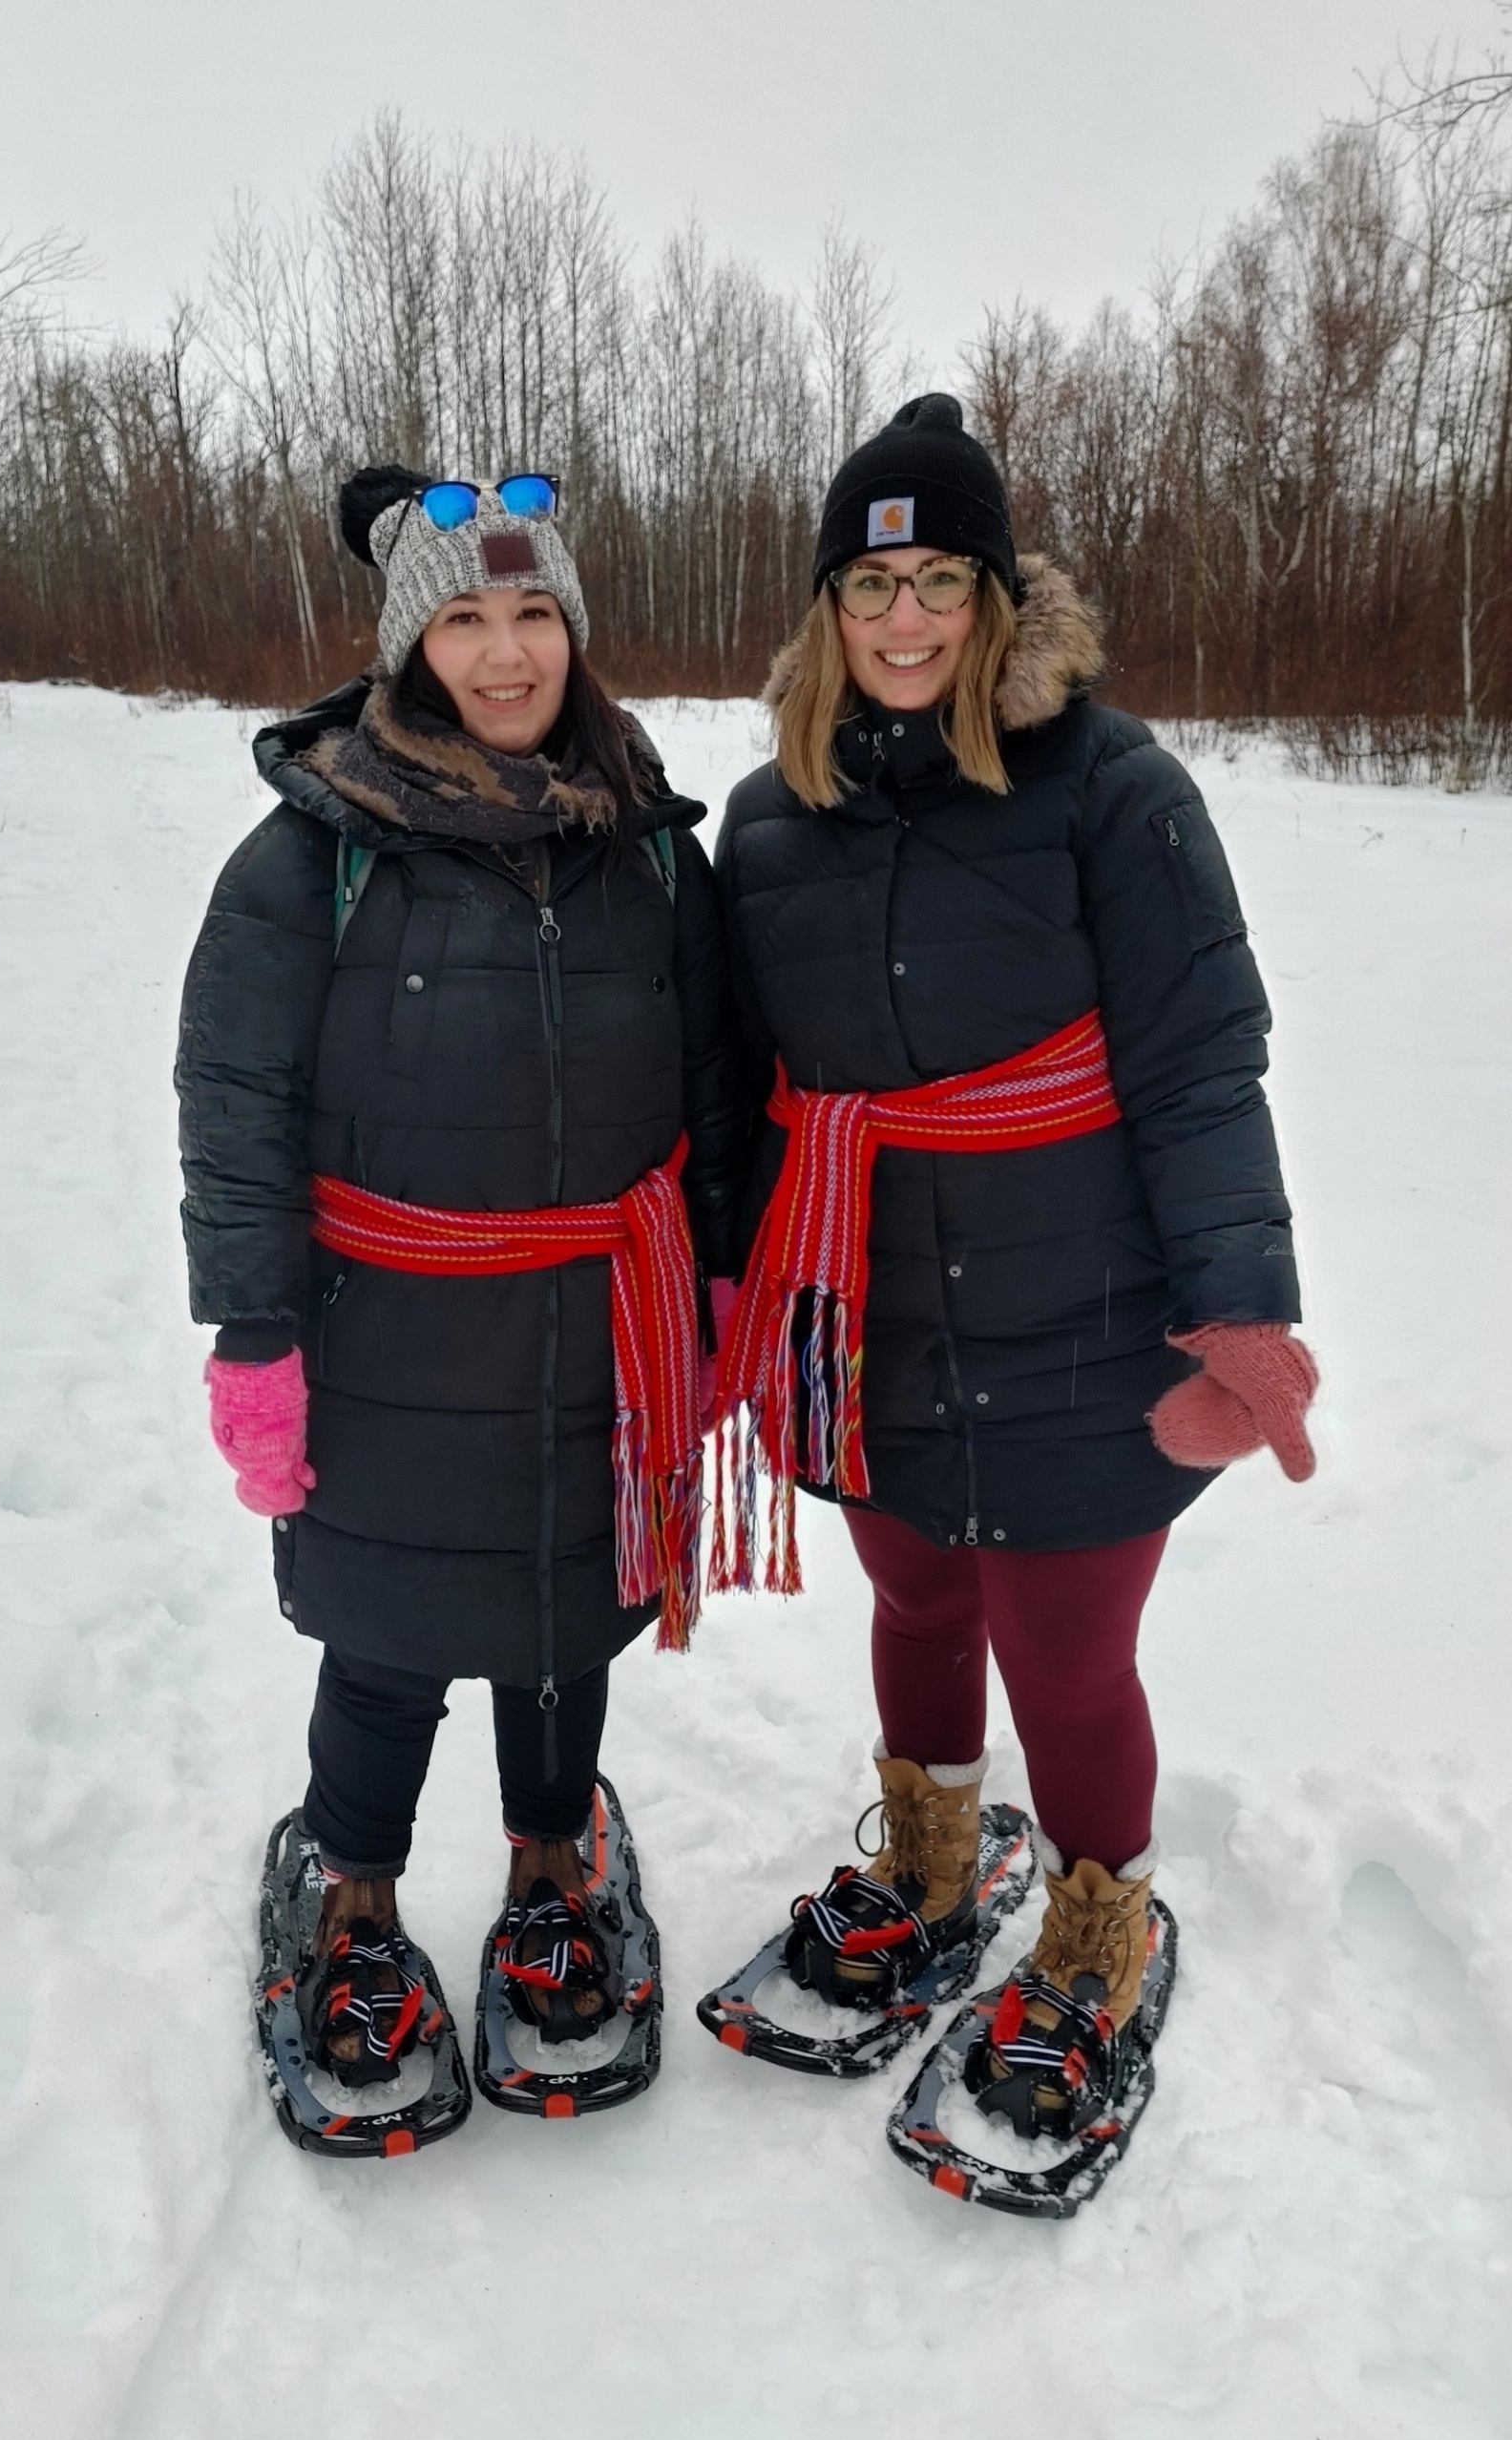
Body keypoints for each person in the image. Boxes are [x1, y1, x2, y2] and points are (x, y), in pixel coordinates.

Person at [707, 395, 1316, 2183]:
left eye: (942, 581)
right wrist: (734, 1291)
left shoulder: (1115, 794)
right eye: (871, 583)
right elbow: (744, 1089)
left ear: (998, 600)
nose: (905, 620)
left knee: (1066, 1655)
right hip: (875, 1324)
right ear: (829, 611)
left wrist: (1240, 1312)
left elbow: (1203, 1061)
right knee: (910, 1604)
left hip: (1083, 1320)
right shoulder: (768, 821)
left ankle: (1098, 1928)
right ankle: (930, 1860)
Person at [176, 465, 746, 2126]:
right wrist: (255, 1337)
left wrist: (712, 1288)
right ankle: (352, 1892)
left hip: (600, 1325)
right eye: (465, 618)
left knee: (568, 1623)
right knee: (388, 1633)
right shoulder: (310, 859)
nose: (506, 654)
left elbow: (714, 1089)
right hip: (387, 1336)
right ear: (409, 643)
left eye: (534, 614)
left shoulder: (648, 851)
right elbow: (236, 1108)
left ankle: (555, 1867)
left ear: (573, 629)